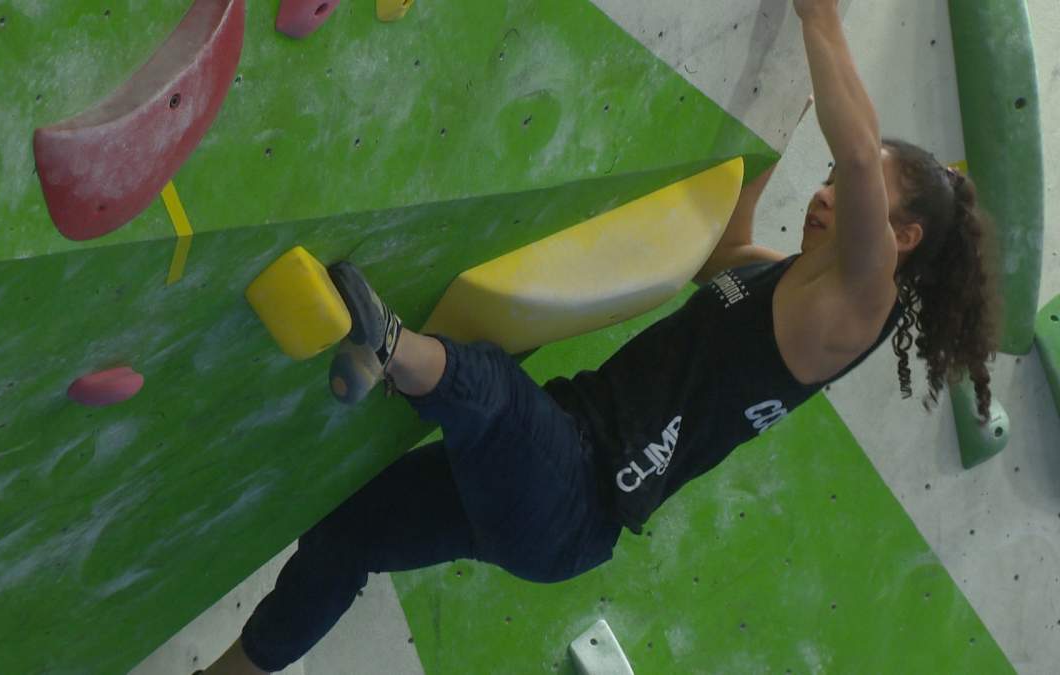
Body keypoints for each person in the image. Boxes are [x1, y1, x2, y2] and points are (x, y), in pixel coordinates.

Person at [203, 1, 998, 672]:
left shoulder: (861, 306)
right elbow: (719, 251)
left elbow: (861, 150)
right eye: (823, 179)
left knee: (490, 392)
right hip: (558, 466)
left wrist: (818, 14)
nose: (827, 193)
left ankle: (387, 346)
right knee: (348, 533)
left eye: (852, 191)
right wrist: (765, 124)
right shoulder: (776, 277)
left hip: (579, 493)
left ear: (903, 236)